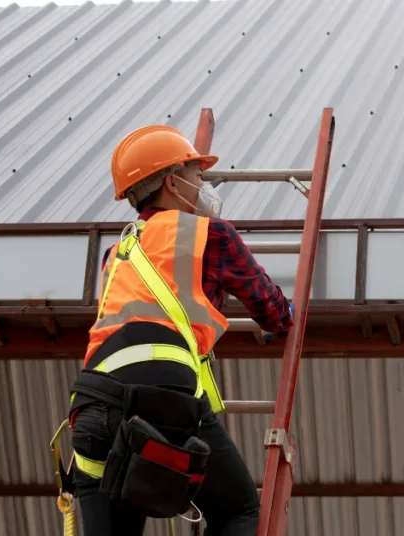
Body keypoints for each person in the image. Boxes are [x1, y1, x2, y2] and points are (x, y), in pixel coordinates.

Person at [66, 124, 294, 536]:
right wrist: (288, 312)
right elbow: (274, 312)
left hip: (92, 405)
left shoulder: (117, 254)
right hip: (160, 394)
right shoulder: (210, 236)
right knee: (238, 512)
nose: (204, 186)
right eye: (198, 176)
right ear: (173, 183)